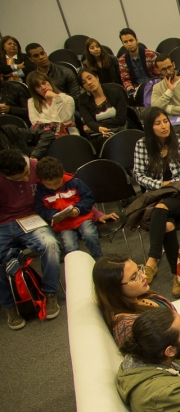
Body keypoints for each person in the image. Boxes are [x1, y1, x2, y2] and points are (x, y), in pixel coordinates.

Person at [132, 107, 180, 295]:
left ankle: (152, 260)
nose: (164, 126)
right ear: (149, 127)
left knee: (161, 209)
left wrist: (173, 184)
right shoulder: (141, 145)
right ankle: (177, 275)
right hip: (157, 196)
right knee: (167, 226)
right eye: (158, 123)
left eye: (165, 121)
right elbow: (138, 175)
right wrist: (160, 184)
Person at [0, 149, 62, 329]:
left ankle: (49, 293)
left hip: (32, 218)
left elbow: (64, 181)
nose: (26, 179)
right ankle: (9, 305)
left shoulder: (36, 166)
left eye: (27, 174)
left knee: (50, 245)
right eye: (19, 178)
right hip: (3, 223)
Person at [33, 156, 101, 258]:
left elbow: (88, 198)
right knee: (69, 246)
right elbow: (41, 209)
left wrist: (78, 209)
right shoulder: (41, 191)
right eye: (49, 184)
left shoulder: (74, 182)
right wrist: (54, 215)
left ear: (62, 174)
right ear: (42, 180)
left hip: (82, 217)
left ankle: (98, 259)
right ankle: (74, 267)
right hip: (63, 223)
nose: (54, 187)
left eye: (57, 183)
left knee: (90, 235)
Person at [77, 70, 128, 144]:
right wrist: (98, 128)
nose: (89, 83)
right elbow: (89, 121)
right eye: (84, 82)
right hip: (99, 134)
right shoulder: (82, 100)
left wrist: (98, 126)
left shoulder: (116, 93)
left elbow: (121, 118)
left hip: (120, 129)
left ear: (97, 78)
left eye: (89, 78)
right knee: (103, 140)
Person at [25, 71, 77, 137]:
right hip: (45, 137)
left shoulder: (67, 99)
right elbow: (35, 123)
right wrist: (60, 125)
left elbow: (65, 119)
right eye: (38, 86)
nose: (43, 87)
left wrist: (56, 98)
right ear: (34, 90)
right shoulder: (32, 102)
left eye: (44, 83)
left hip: (69, 135)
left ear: (49, 81)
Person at [151, 54, 180, 128]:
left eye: (169, 67)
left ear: (173, 65)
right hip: (168, 125)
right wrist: (169, 92)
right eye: (163, 69)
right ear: (158, 71)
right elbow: (155, 108)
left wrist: (168, 108)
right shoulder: (157, 87)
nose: (168, 72)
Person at [117, 28, 160, 98]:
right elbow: (125, 79)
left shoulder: (150, 54)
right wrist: (131, 90)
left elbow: (158, 74)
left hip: (154, 86)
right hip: (137, 90)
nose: (129, 44)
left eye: (131, 40)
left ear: (136, 40)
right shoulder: (122, 59)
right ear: (122, 44)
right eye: (125, 42)